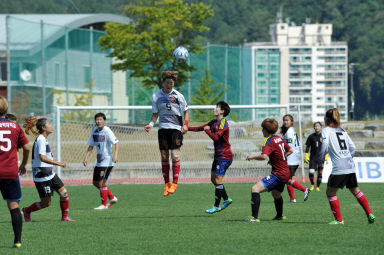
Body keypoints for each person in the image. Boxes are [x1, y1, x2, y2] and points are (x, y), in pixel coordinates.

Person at [319, 108, 375, 225]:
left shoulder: (326, 130)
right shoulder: (342, 130)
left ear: (327, 120)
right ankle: (369, 213)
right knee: (355, 190)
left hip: (339, 167)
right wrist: (348, 158)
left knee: (330, 193)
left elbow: (324, 145)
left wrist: (320, 158)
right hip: (350, 165)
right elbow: (353, 147)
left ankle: (339, 220)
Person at [144, 70, 189, 196]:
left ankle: (175, 183)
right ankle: (166, 184)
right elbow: (155, 114)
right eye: (168, 82)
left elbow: (186, 111)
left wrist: (185, 125)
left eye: (172, 83)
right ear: (163, 83)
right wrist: (151, 124)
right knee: (164, 156)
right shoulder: (156, 96)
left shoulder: (178, 96)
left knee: (175, 156)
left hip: (176, 128)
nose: (170, 85)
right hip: (163, 129)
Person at [22, 117, 74, 222]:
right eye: (49, 124)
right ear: (44, 127)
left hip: (49, 173)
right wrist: (58, 163)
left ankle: (64, 217)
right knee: (46, 203)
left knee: (64, 193)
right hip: (42, 175)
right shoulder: (41, 139)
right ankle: (27, 210)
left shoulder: (43, 138)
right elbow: (42, 157)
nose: (51, 126)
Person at [188, 101, 233, 214]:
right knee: (214, 179)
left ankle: (216, 206)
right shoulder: (214, 122)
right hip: (218, 156)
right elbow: (200, 128)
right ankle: (226, 199)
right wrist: (186, 128)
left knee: (218, 180)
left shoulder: (223, 123)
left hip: (224, 156)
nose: (214, 109)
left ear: (222, 111)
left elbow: (216, 138)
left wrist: (207, 130)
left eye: (217, 107)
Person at [247, 118, 293, 222]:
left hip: (278, 174)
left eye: (262, 128)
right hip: (286, 172)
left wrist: (252, 157)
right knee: (276, 193)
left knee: (255, 189)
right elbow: (290, 150)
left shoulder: (268, 141)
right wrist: (278, 158)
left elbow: (263, 156)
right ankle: (280, 216)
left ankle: (254, 217)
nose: (262, 131)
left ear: (266, 130)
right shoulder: (278, 138)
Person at [0, 96, 30, 248]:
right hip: (10, 172)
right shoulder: (15, 126)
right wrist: (23, 164)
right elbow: (26, 148)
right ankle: (17, 241)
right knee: (14, 207)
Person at [83, 113, 119, 210]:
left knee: (101, 183)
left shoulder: (107, 131)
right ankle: (112, 197)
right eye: (97, 120)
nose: (98, 121)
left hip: (107, 161)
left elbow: (116, 142)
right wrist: (86, 157)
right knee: (95, 183)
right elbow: (91, 145)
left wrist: (115, 155)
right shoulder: (94, 131)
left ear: (104, 121)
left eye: (100, 119)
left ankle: (104, 205)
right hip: (99, 161)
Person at [281, 114, 310, 202]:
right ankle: (292, 199)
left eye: (287, 120)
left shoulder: (289, 132)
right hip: (294, 159)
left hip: (291, 159)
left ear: (291, 122)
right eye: (284, 120)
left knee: (286, 179)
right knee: (288, 179)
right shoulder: (291, 130)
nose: (285, 122)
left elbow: (290, 149)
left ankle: (305, 190)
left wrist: (282, 157)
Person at [304, 122, 328, 191]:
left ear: (321, 127)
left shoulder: (324, 136)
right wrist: (306, 154)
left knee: (320, 172)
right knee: (311, 172)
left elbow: (326, 146)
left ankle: (317, 186)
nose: (317, 127)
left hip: (321, 157)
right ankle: (312, 184)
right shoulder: (311, 136)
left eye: (318, 126)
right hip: (313, 158)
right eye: (315, 126)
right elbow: (307, 146)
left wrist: (326, 155)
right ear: (314, 128)